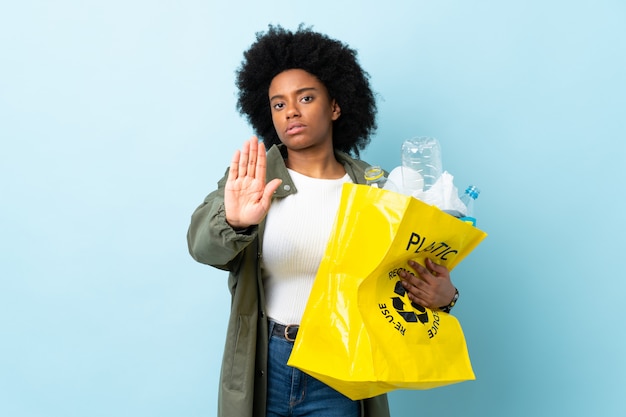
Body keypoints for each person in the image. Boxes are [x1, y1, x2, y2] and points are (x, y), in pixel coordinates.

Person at [187, 24, 458, 417]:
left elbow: (405, 282)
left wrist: (446, 297)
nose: (291, 111)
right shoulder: (253, 181)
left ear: (335, 105)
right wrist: (235, 222)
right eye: (278, 104)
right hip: (267, 363)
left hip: (340, 366)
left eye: (306, 97)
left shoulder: (376, 190)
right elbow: (200, 246)